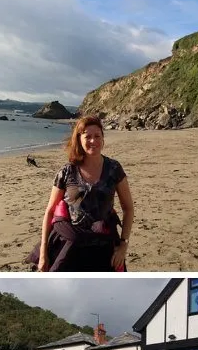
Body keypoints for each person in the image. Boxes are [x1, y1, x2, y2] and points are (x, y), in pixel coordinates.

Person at [28, 115, 134, 272]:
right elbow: (50, 212)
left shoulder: (113, 169)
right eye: (87, 136)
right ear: (79, 139)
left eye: (97, 136)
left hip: (103, 247)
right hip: (69, 247)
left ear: (103, 138)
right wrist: (43, 252)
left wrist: (124, 244)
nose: (93, 141)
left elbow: (128, 208)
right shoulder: (67, 172)